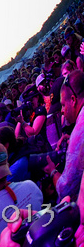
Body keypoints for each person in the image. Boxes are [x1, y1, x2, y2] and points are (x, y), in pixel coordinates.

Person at [44, 70, 84, 202]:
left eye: (62, 105)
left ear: (73, 100)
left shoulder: (79, 130)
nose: (61, 111)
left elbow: (66, 189)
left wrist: (52, 171)